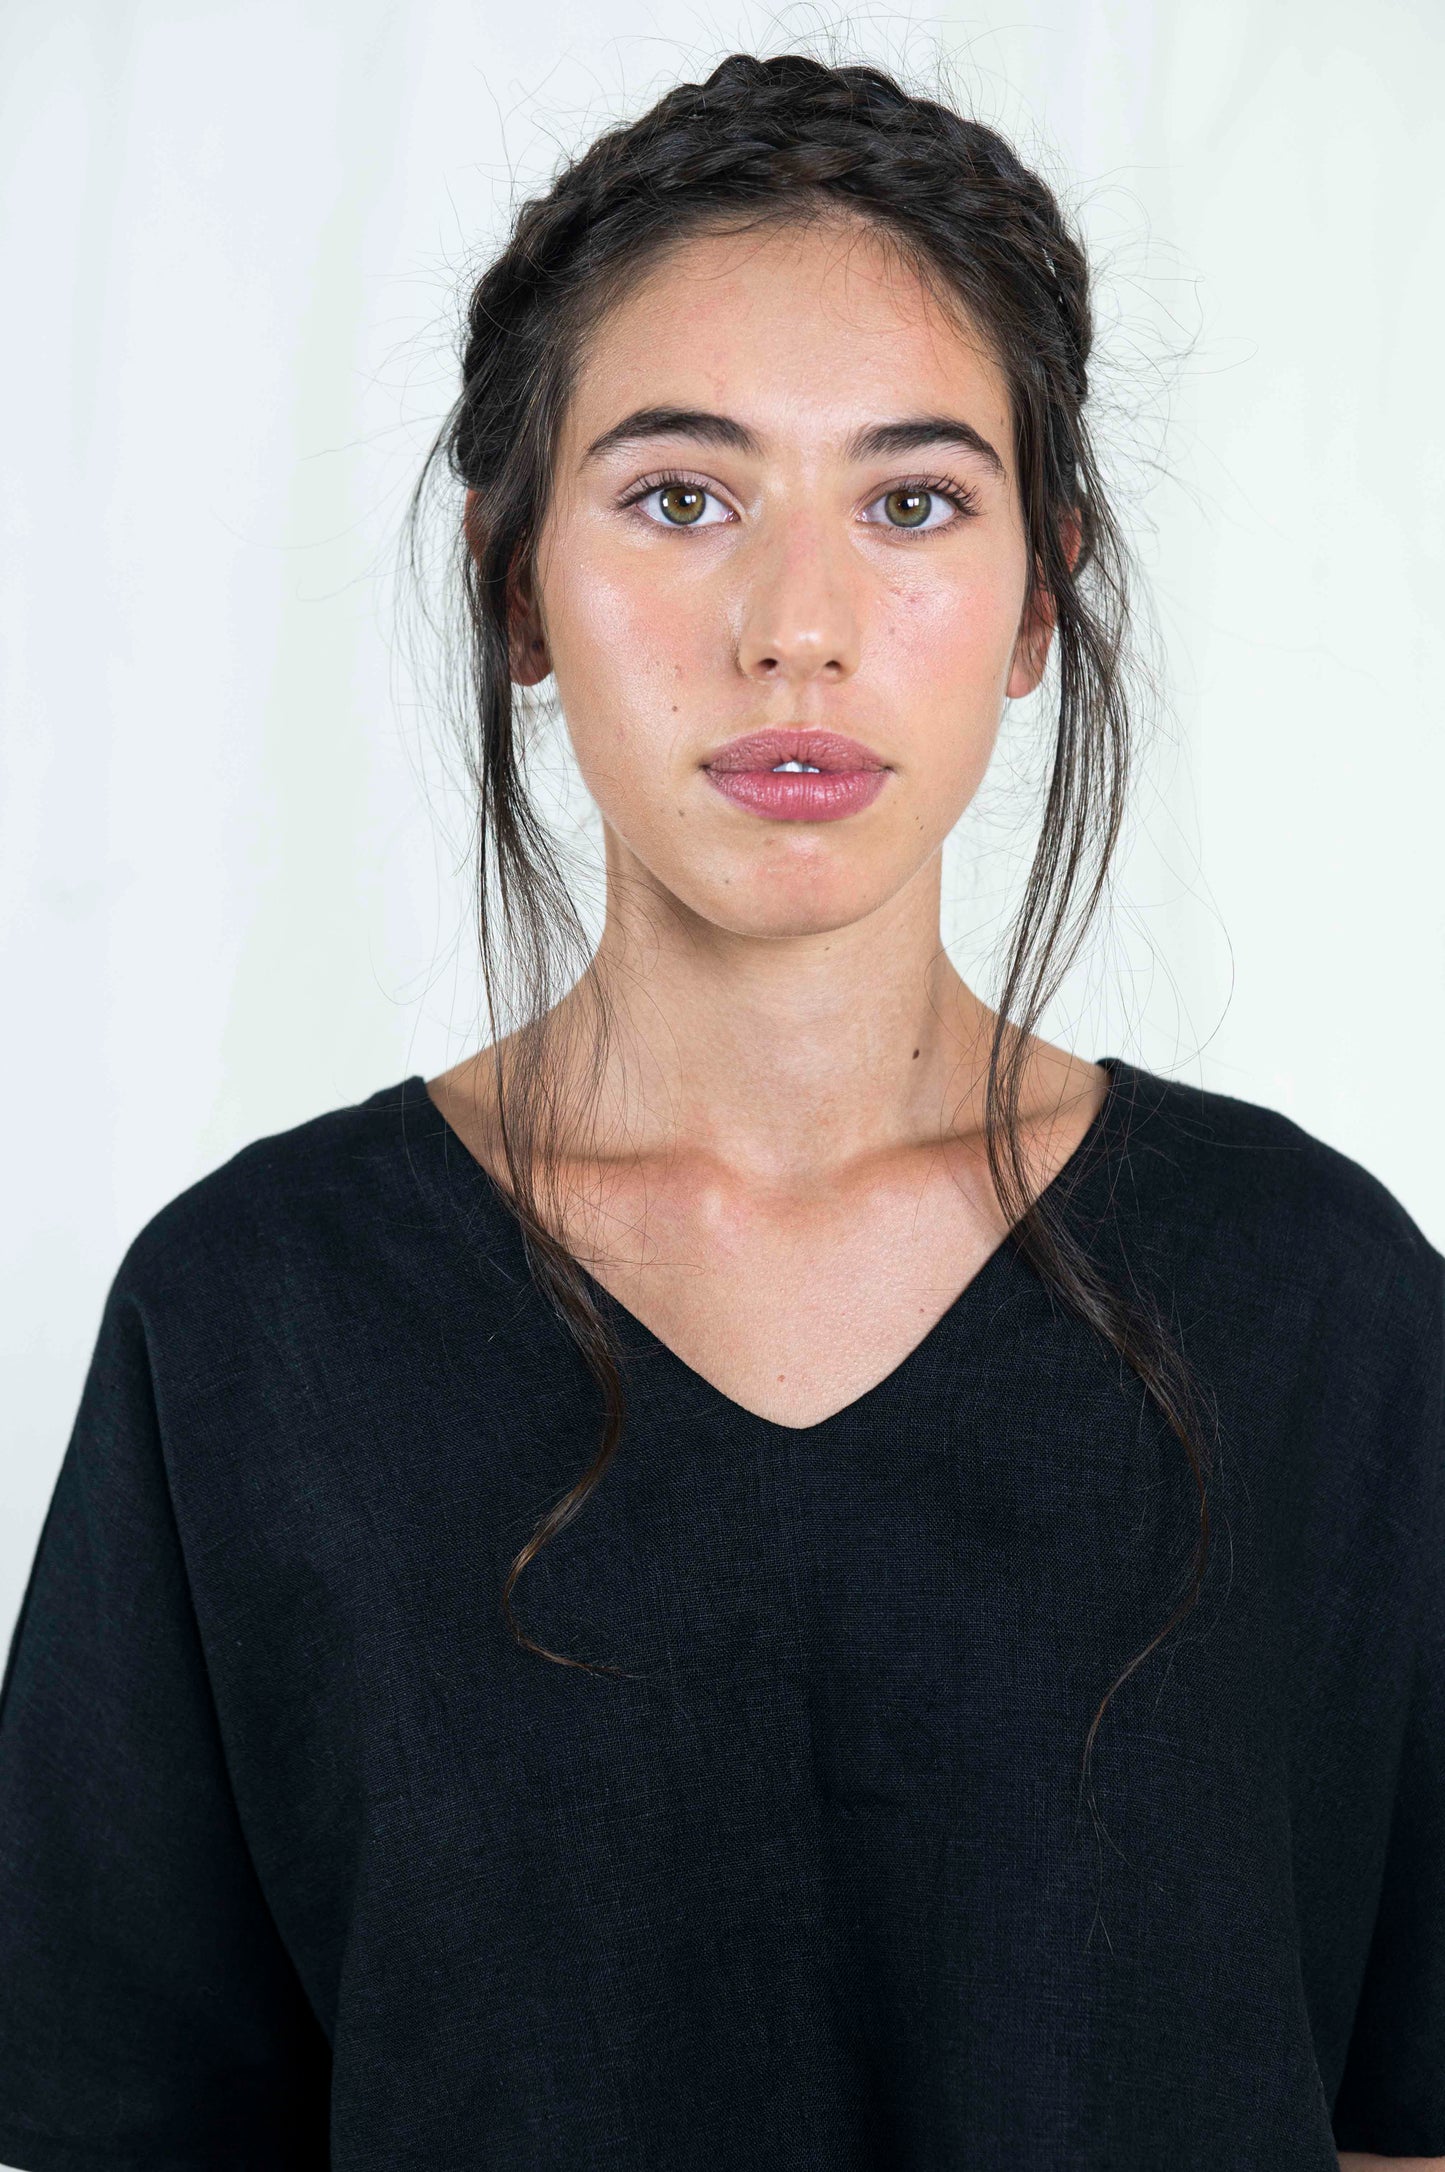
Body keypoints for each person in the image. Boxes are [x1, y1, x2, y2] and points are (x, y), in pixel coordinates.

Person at [0, 51, 1439, 2172]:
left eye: (914, 501)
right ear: (514, 585)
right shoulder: (256, 1322)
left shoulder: (1318, 1307)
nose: (797, 629)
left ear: (1043, 597)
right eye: (682, 495)